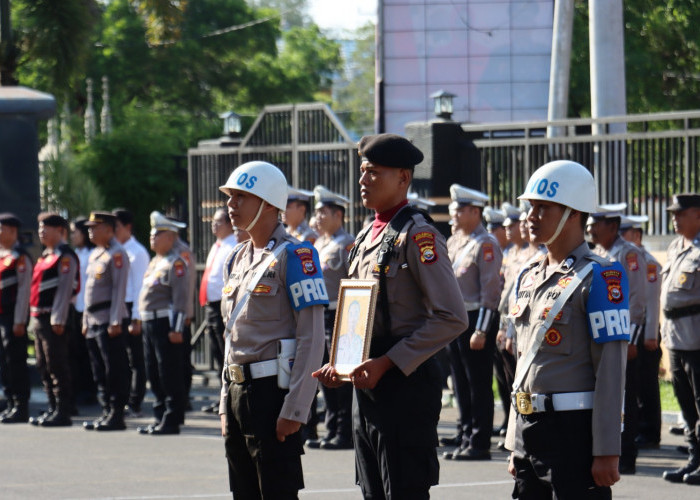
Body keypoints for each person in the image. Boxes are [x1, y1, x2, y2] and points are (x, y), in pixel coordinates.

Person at [314, 133, 468, 499]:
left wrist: (388, 362)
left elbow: (452, 317)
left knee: (403, 489)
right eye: (363, 172)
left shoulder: (418, 235)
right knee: (373, 489)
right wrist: (343, 363)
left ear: (403, 177)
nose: (363, 181)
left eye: (374, 173)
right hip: (367, 382)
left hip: (404, 382)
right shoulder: (367, 234)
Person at [505, 160, 629, 498]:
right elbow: (524, 365)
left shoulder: (601, 276)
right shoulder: (528, 274)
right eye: (531, 207)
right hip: (530, 428)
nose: (531, 216)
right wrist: (516, 441)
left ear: (573, 213)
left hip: (574, 433)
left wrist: (607, 449)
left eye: (543, 208)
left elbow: (611, 369)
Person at [218, 160, 326, 499]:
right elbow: (230, 338)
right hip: (237, 391)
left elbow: (312, 338)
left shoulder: (297, 255)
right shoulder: (236, 258)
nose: (230, 205)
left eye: (240, 197)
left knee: (276, 491)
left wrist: (297, 408)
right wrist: (224, 402)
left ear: (267, 204)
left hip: (272, 394)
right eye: (229, 197)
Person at [443, 184, 503, 461]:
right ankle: (465, 433)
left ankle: (479, 441)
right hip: (456, 319)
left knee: (477, 382)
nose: (452, 215)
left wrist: (481, 329)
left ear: (474, 212)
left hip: (477, 319)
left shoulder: (486, 243)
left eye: (457, 210)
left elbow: (490, 292)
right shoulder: (456, 241)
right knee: (459, 382)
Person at [587, 203, 647, 474]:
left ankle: (627, 455)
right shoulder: (597, 253)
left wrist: (631, 339)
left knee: (626, 397)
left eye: (595, 223)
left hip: (624, 337)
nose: (590, 228)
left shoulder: (629, 254)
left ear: (611, 226)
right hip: (602, 336)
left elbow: (637, 299)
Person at [305, 185, 355, 450]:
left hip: (340, 314)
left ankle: (344, 431)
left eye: (324, 212)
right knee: (324, 373)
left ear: (339, 215)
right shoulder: (319, 243)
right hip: (320, 313)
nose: (319, 217)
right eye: (318, 212)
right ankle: (331, 427)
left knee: (341, 375)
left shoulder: (347, 244)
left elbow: (355, 281)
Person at [137, 212, 190, 435]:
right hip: (150, 322)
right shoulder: (156, 262)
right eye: (152, 234)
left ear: (170, 237)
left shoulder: (176, 263)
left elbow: (180, 297)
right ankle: (160, 415)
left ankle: (172, 418)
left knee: (168, 372)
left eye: (158, 234)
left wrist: (177, 328)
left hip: (165, 323)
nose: (153, 238)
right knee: (153, 371)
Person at [660, 193, 700, 485]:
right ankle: (694, 459)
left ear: (698, 214)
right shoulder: (676, 247)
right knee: (685, 403)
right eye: (673, 213)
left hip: (697, 337)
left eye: (680, 213)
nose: (674, 218)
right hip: (675, 337)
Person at [81, 211, 131, 431]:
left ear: (109, 229)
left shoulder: (117, 254)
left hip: (108, 319)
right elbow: (88, 291)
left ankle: (116, 413)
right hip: (93, 318)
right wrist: (84, 319)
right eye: (89, 227)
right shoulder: (96, 254)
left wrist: (115, 320)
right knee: (98, 369)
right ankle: (105, 410)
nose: (90, 230)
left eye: (95, 227)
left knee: (114, 369)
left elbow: (119, 290)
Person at [29, 212, 80, 427]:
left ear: (60, 231)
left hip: (54, 317)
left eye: (46, 228)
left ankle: (63, 410)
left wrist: (58, 318)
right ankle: (52, 406)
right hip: (40, 316)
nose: (41, 232)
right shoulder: (46, 255)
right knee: (43, 364)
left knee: (57, 364)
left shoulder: (65, 256)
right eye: (40, 228)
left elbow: (66, 289)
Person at [620, 214, 663, 449]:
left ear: (636, 235)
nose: (620, 238)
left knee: (646, 383)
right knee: (635, 383)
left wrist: (650, 336)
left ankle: (650, 430)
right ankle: (640, 427)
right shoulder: (626, 259)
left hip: (646, 330)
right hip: (632, 329)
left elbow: (651, 299)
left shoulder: (648, 261)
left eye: (624, 232)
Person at [199, 208, 237, 414]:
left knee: (225, 354)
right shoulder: (218, 245)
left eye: (218, 221)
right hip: (211, 305)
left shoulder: (233, 245)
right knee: (217, 356)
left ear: (229, 224)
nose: (214, 225)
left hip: (222, 306)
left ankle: (230, 398)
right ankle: (222, 396)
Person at [113, 208, 150, 417]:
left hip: (132, 307)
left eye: (116, 227)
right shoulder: (116, 250)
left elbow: (139, 287)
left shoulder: (137, 252)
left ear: (127, 227)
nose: (114, 231)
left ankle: (135, 401)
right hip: (119, 307)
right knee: (121, 358)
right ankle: (123, 396)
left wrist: (136, 317)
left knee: (136, 359)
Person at [0, 213, 32, 423]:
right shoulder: (3, 255)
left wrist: (20, 320)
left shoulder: (21, 256)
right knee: (4, 361)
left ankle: (21, 405)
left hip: (13, 316)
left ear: (12, 231)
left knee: (16, 361)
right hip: (1, 316)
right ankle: (10, 401)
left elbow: (23, 291)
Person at [68, 217, 97, 407]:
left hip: (88, 308)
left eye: (74, 232)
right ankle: (78, 389)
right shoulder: (74, 254)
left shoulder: (92, 254)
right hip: (75, 307)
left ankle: (89, 391)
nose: (72, 236)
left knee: (89, 354)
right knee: (75, 352)